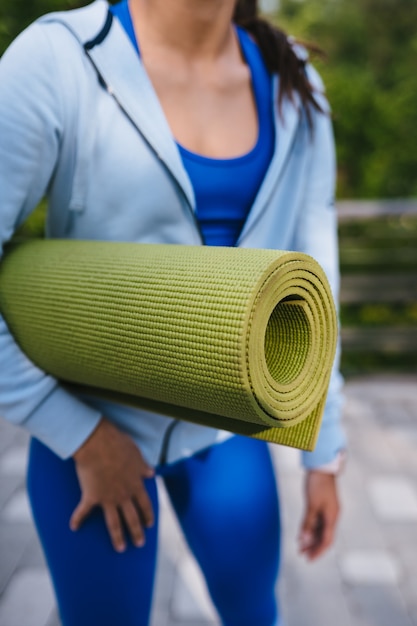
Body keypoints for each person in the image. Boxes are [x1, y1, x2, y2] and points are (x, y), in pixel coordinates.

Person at [0, 0, 346, 624]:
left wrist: (326, 450)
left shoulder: (293, 83)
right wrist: (79, 434)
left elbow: (315, 271)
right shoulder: (58, 58)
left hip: (228, 424)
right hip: (86, 426)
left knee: (255, 613)